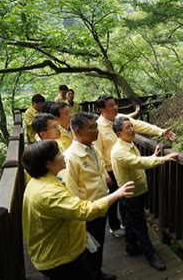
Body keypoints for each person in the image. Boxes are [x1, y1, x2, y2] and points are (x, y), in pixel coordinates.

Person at [22, 140, 135, 280]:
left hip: (55, 250)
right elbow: (85, 211)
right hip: (60, 257)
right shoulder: (49, 193)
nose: (63, 155)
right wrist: (117, 194)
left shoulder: (37, 182)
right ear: (47, 163)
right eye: (58, 153)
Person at [94, 95, 176, 238]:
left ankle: (127, 226)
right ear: (102, 109)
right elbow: (97, 153)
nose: (115, 108)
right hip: (109, 169)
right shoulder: (98, 127)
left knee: (126, 198)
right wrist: (104, 175)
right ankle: (114, 226)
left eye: (115, 104)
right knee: (113, 200)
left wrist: (161, 132)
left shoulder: (121, 118)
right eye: (110, 106)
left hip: (126, 164)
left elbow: (140, 125)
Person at [111, 116, 178, 270]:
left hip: (136, 191)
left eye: (131, 126)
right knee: (140, 226)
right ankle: (151, 255)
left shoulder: (128, 143)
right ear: (119, 133)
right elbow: (139, 162)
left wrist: (153, 156)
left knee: (130, 221)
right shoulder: (119, 151)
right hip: (131, 195)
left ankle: (131, 247)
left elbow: (139, 160)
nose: (132, 129)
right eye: (127, 128)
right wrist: (163, 159)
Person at [64, 112, 116, 280]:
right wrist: (81, 218)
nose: (97, 131)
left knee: (98, 244)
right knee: (87, 249)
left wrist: (106, 177)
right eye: (92, 128)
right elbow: (71, 191)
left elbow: (100, 168)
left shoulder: (92, 148)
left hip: (100, 205)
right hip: (87, 212)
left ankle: (97, 272)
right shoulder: (70, 157)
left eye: (96, 127)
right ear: (78, 132)